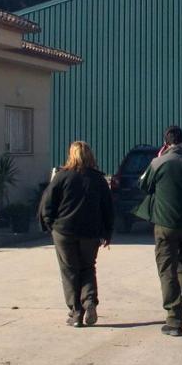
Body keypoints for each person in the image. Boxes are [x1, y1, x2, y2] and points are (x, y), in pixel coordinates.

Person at [135, 125, 182, 336]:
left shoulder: (158, 163)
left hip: (165, 225)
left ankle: (173, 318)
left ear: (166, 143)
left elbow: (143, 186)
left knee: (167, 270)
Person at [39, 140, 113, 327]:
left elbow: (47, 202)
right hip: (90, 232)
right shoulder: (98, 179)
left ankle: (76, 312)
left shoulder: (62, 177)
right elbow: (108, 208)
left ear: (71, 155)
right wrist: (107, 231)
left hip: (64, 231)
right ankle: (89, 302)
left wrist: (49, 224)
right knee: (88, 267)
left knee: (70, 271)